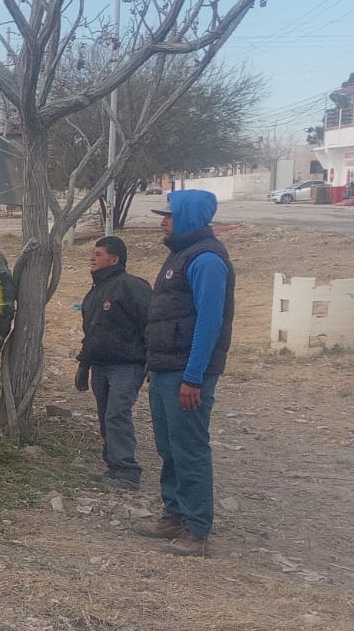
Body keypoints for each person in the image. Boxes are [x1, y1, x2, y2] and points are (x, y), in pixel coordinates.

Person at [135, 189, 236, 557]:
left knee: (189, 448)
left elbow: (209, 322)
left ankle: (196, 528)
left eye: (170, 215)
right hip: (165, 369)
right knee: (168, 446)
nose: (163, 221)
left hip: (186, 374)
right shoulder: (179, 255)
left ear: (190, 218)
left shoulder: (207, 260)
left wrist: (193, 377)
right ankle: (174, 513)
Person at [75, 235, 152, 490]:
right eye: (93, 253)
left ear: (114, 258)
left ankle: (128, 472)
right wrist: (83, 366)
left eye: (98, 254)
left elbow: (150, 325)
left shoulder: (132, 287)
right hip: (100, 364)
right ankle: (114, 467)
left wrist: (151, 361)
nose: (92, 258)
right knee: (105, 415)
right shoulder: (96, 291)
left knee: (117, 413)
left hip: (126, 364)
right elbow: (93, 332)